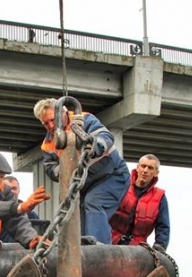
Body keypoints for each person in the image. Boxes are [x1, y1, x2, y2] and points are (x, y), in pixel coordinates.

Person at [33, 97, 129, 244]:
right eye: (45, 123)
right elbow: (51, 168)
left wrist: (95, 147)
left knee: (94, 203)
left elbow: (105, 137)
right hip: (86, 184)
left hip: (112, 176)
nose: (51, 126)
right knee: (78, 213)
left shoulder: (85, 120)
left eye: (53, 120)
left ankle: (99, 251)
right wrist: (63, 169)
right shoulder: (48, 145)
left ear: (64, 113)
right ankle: (84, 251)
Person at [110, 154, 170, 252]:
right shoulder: (121, 186)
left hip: (137, 250)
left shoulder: (160, 197)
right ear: (138, 168)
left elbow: (163, 226)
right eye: (143, 166)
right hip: (110, 242)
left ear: (156, 172)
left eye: (150, 168)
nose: (145, 170)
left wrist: (160, 246)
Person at [0, 175, 39, 243]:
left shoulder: (31, 215)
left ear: (19, 189)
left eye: (14, 188)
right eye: (8, 189)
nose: (11, 191)